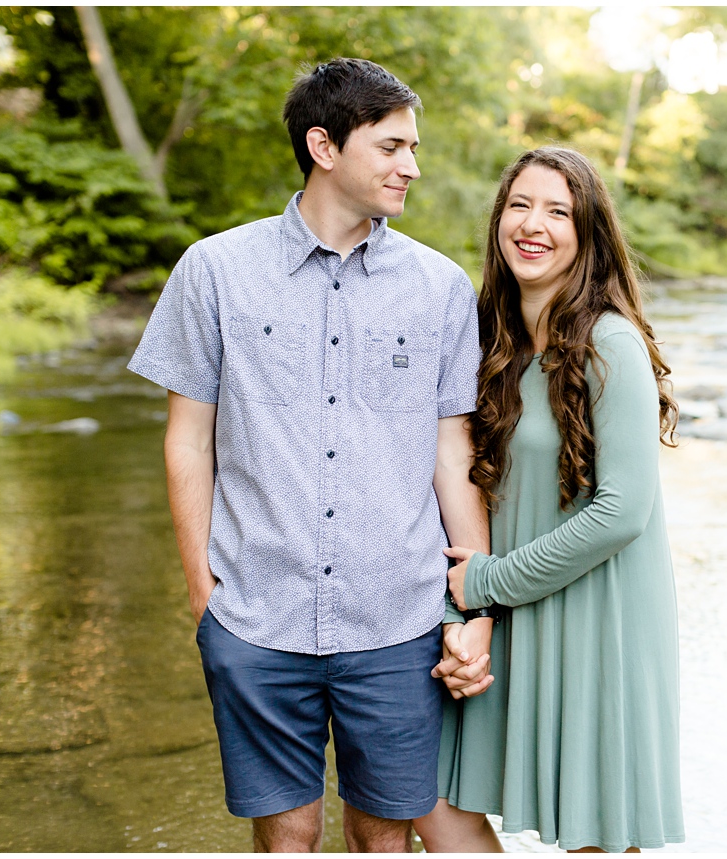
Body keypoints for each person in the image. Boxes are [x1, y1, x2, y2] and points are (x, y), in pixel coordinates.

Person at [128, 57, 491, 852]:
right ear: (324, 145)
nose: (412, 167)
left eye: (414, 148)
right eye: (392, 147)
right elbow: (187, 440)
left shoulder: (440, 286)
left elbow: (450, 451)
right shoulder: (215, 270)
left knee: (384, 838)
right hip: (255, 614)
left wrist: (477, 604)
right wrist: (205, 597)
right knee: (287, 835)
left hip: (400, 618)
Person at [416, 147, 686, 853]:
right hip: (506, 614)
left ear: (587, 232)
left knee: (594, 834)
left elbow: (622, 509)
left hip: (599, 620)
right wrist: (468, 608)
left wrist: (487, 584)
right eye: (520, 205)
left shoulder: (610, 344)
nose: (533, 225)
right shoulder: (491, 341)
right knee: (431, 799)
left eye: (558, 211)